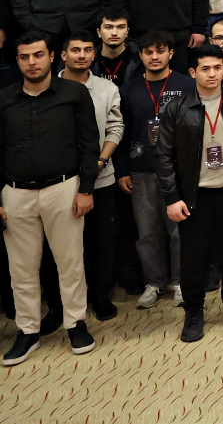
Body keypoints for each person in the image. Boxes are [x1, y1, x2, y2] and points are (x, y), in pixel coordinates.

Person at [0, 32, 99, 364]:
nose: (32, 62)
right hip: (15, 193)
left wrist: (86, 189)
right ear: (17, 60)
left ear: (52, 56)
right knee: (21, 269)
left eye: (38, 55)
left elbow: (89, 143)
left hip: (64, 189)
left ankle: (76, 324)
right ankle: (28, 331)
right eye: (25, 57)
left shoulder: (74, 93)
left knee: (70, 263)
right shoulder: (4, 99)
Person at [159, 45, 223, 342]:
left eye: (217, 67)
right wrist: (171, 197)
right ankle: (194, 311)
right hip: (194, 196)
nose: (212, 74)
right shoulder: (177, 108)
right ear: (193, 72)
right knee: (193, 258)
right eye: (205, 69)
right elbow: (164, 156)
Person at [112, 31, 189, 310]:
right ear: (141, 55)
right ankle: (154, 282)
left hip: (178, 171)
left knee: (179, 232)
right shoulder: (128, 90)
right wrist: (122, 169)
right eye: (148, 52)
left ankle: (180, 281)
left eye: (160, 51)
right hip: (141, 169)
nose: (154, 57)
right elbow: (120, 132)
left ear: (171, 53)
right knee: (146, 233)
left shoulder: (186, 85)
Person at [58, 32, 123, 320]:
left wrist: (100, 161)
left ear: (94, 54)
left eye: (87, 50)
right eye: (75, 50)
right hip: (60, 180)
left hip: (101, 177)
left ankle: (100, 296)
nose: (82, 55)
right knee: (66, 246)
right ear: (63, 55)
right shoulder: (51, 87)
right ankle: (66, 302)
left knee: (101, 241)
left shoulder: (107, 89)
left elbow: (116, 128)